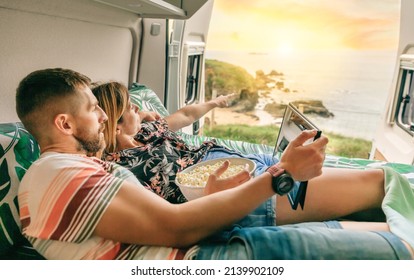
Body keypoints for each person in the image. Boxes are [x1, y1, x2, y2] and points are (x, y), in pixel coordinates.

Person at [16, 68, 413, 260]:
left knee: (384, 223)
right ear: (64, 123)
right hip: (205, 259)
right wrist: (282, 175)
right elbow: (176, 228)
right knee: (400, 248)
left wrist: (209, 198)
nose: (102, 117)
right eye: (93, 110)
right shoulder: (56, 173)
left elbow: (171, 221)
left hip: (207, 242)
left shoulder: (75, 171)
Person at [93, 81, 386, 225]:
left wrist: (214, 103)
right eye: (129, 107)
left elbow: (184, 114)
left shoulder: (147, 130)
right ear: (113, 126)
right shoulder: (116, 168)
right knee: (376, 183)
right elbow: (165, 217)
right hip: (233, 187)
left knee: (367, 194)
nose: (138, 108)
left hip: (243, 162)